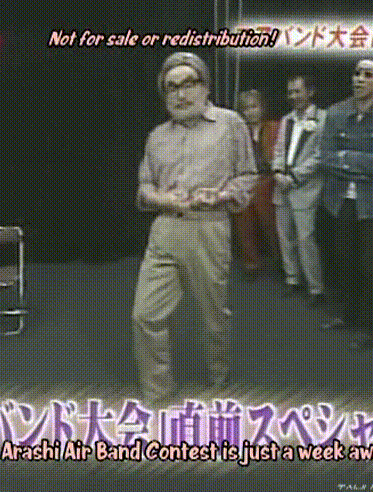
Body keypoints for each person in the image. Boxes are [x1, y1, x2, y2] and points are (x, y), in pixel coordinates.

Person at [131, 52, 256, 406]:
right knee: (145, 315)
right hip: (165, 230)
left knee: (213, 315)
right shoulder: (157, 136)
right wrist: (164, 200)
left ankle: (218, 376)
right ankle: (157, 393)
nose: (180, 94)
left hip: (208, 229)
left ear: (205, 87)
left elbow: (248, 176)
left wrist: (221, 196)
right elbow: (144, 188)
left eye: (188, 84)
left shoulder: (230, 124)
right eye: (171, 88)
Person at [319, 59, 373, 351]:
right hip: (340, 200)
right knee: (344, 261)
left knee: (372, 267)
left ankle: (370, 326)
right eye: (356, 73)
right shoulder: (336, 112)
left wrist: (346, 158)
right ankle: (347, 315)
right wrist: (363, 162)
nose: (359, 79)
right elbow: (326, 158)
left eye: (368, 75)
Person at [272, 74, 326, 305]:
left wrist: (293, 177)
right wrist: (277, 172)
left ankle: (315, 288)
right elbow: (278, 149)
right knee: (285, 237)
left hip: (306, 189)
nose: (293, 96)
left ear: (310, 92)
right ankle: (292, 279)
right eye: (290, 92)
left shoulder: (324, 119)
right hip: (282, 187)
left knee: (306, 240)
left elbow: (320, 156)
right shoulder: (286, 119)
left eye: (297, 91)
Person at [232, 90, 281, 279]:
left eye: (254, 107)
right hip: (244, 181)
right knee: (244, 225)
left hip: (268, 180)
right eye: (246, 108)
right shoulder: (237, 132)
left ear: (262, 108)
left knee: (272, 225)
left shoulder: (274, 127)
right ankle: (251, 264)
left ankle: (281, 262)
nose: (250, 112)